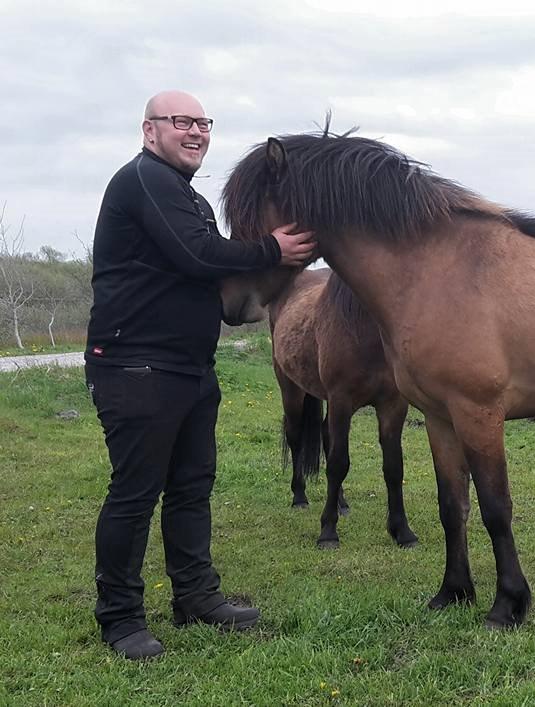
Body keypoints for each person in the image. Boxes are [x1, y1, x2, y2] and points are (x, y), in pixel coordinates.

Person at [85, 90, 315, 659]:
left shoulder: (186, 197)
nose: (195, 131)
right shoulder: (145, 181)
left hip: (188, 367)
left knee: (191, 487)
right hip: (136, 365)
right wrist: (271, 248)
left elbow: (203, 266)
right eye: (181, 121)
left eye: (203, 123)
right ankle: (119, 619)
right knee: (135, 494)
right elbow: (198, 255)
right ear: (149, 131)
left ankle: (195, 596)